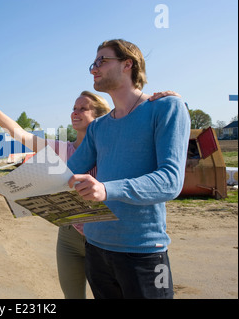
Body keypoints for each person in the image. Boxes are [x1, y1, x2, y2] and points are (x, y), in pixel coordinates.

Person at [0, 87, 180, 298]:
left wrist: (167, 99)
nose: (75, 112)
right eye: (74, 108)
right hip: (70, 233)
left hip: (103, 235)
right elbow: (20, 134)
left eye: (83, 108)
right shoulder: (62, 149)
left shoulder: (114, 150)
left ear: (101, 116)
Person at [67, 39, 191, 299]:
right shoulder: (98, 127)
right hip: (96, 249)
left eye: (102, 61)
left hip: (143, 253)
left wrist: (106, 189)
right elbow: (66, 174)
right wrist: (16, 186)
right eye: (93, 63)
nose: (94, 69)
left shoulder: (167, 108)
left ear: (127, 64)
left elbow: (170, 181)